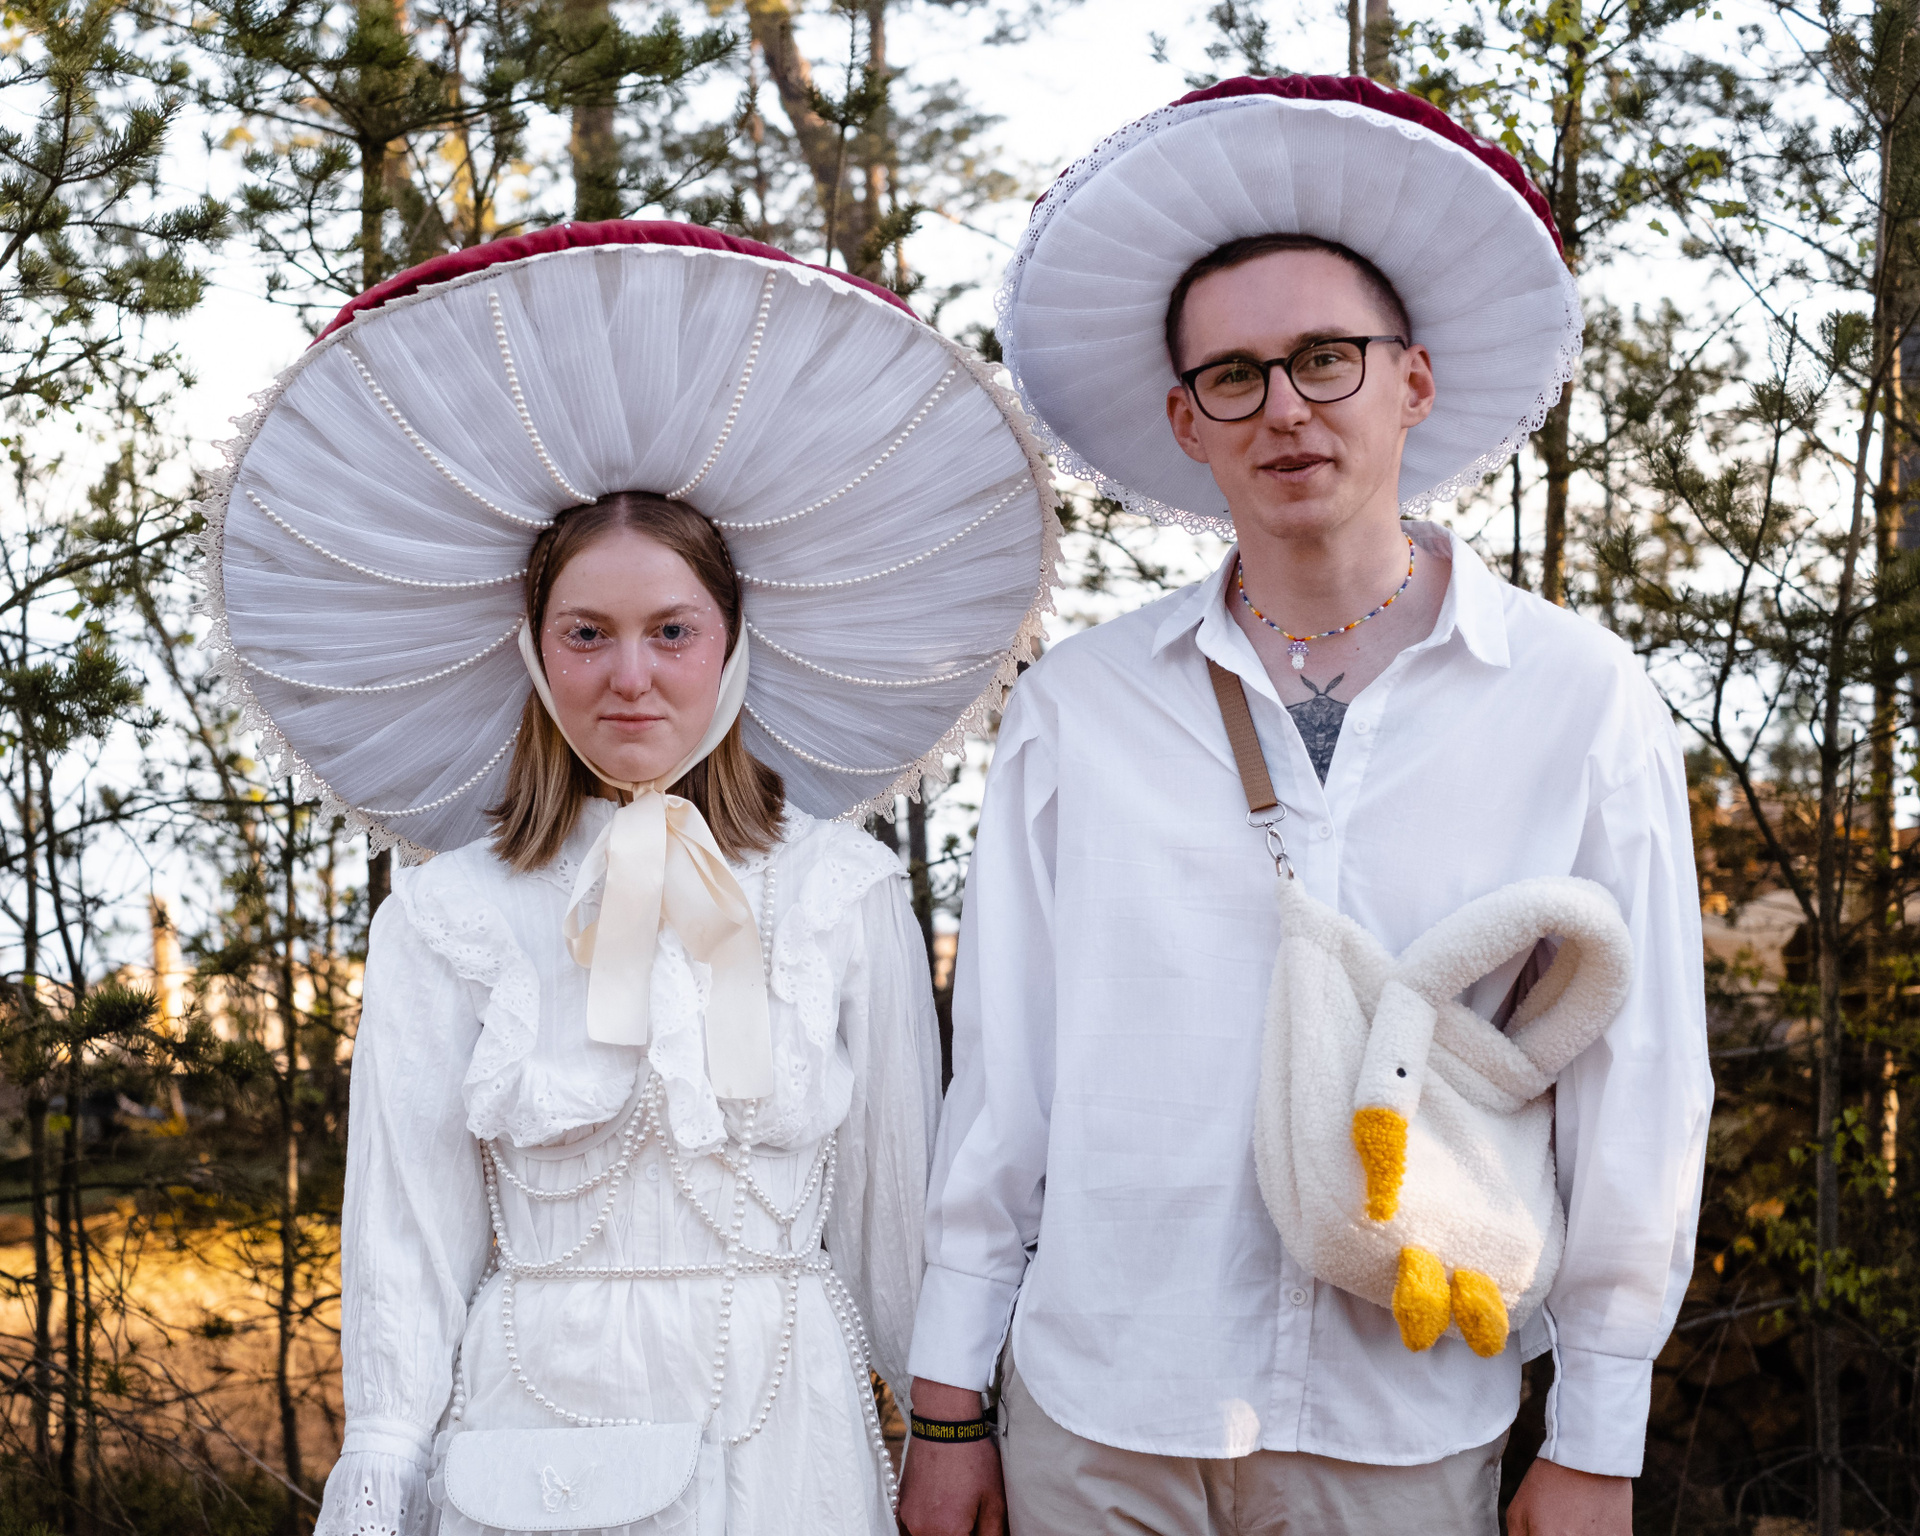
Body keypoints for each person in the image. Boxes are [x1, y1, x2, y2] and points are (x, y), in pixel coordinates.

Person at [897, 77, 1711, 1536]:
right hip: (1102, 1406)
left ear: (1414, 381)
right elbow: (1004, 1079)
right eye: (1234, 375)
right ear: (1186, 419)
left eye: (1326, 359)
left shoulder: (1577, 699)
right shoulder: (1082, 706)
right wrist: (948, 1400)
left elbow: (1637, 1085)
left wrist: (1599, 1435)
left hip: (1403, 1411)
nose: (1284, 407)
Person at [197, 221, 1059, 1535]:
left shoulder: (843, 891)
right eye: (587, 633)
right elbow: (408, 1229)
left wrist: (950, 1423)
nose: (631, 676)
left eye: (672, 631)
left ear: (733, 648)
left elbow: (898, 1212)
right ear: (537, 655)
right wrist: (382, 1455)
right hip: (532, 1431)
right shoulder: (450, 912)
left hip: (787, 1433)